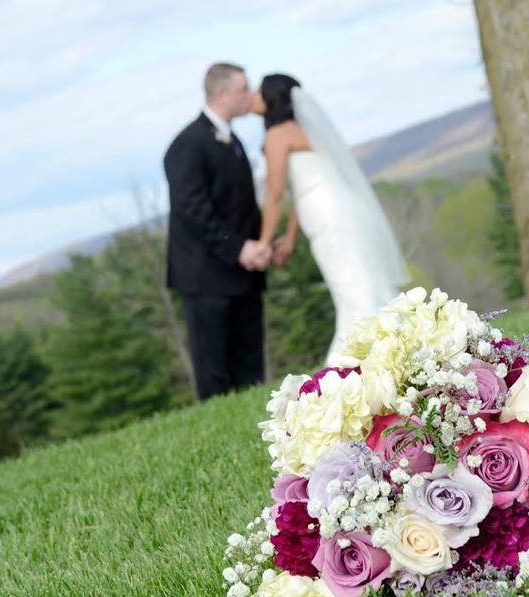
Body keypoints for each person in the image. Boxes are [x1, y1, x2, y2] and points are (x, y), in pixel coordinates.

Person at [250, 73, 409, 362]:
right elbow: (301, 191)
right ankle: (387, 348)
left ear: (270, 98)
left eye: (258, 91)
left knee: (350, 284)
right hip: (332, 210)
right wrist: (288, 237)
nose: (253, 96)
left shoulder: (277, 135)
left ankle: (355, 360)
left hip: (327, 215)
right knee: (355, 279)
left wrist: (263, 242)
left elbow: (274, 194)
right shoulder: (298, 130)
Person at [164, 62, 270, 400]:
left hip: (243, 272)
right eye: (243, 89)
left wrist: (261, 245)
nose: (250, 96)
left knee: (250, 367)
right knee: (214, 371)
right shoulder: (187, 145)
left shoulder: (233, 139)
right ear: (221, 93)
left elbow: (240, 204)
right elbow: (192, 210)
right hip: (205, 275)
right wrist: (239, 248)